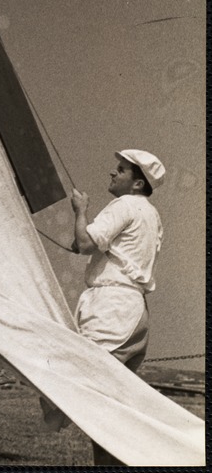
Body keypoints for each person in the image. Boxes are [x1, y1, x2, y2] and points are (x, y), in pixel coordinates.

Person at [71, 148, 165, 466]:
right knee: (113, 405)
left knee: (98, 405)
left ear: (137, 183)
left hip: (112, 308)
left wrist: (80, 211)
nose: (113, 173)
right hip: (134, 309)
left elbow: (84, 244)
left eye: (121, 170)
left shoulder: (124, 204)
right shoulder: (151, 214)